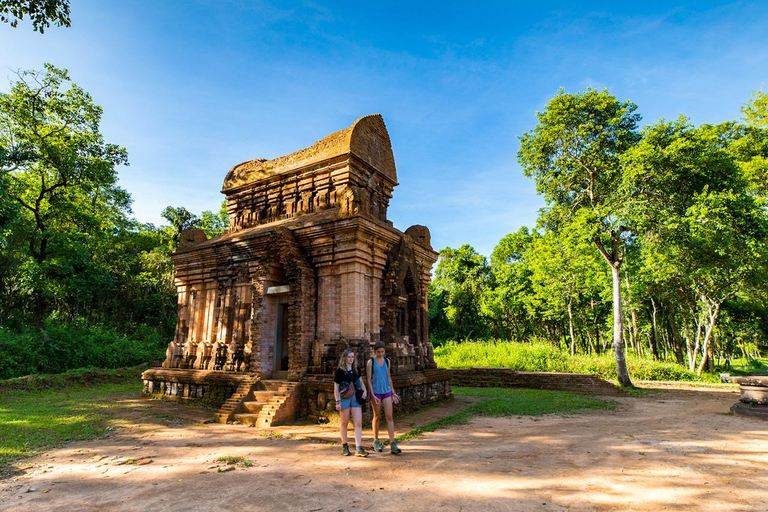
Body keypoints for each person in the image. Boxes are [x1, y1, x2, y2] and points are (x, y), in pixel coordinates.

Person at [366, 341, 401, 455]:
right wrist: (372, 394)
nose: (380, 354)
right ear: (374, 351)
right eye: (378, 352)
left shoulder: (387, 361)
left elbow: (389, 377)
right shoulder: (370, 362)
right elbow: (369, 379)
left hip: (386, 391)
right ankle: (376, 440)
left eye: (382, 352)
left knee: (389, 416)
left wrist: (393, 392)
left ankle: (392, 443)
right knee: (377, 416)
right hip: (376, 392)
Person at [334, 349, 369, 457]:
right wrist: (337, 401)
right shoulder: (340, 371)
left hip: (355, 398)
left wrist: (365, 391)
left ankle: (358, 447)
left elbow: (361, 382)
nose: (351, 359)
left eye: (352, 357)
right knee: (344, 423)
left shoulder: (356, 369)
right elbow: (336, 387)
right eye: (349, 357)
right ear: (345, 358)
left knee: (358, 423)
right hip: (344, 398)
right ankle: (345, 446)